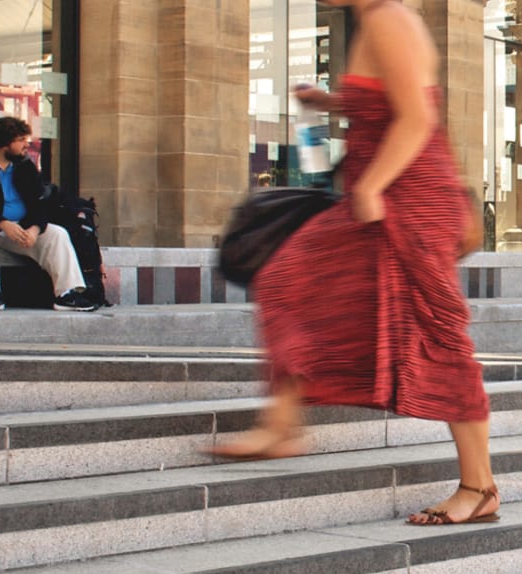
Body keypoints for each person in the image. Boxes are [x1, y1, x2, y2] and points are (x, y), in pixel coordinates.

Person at [206, 0, 498, 527]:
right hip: (385, 196)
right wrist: (333, 102)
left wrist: (372, 185)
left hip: (405, 200)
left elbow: (417, 118)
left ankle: (479, 487)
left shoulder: (390, 18)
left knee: (437, 334)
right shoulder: (378, 21)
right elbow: (387, 101)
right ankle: (282, 423)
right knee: (288, 282)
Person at [0, 117, 98, 313]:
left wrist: (34, 229)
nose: (27, 145)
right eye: (20, 140)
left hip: (19, 230)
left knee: (56, 233)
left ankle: (67, 294)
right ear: (4, 143)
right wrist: (2, 223)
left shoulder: (24, 166)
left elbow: (40, 203)